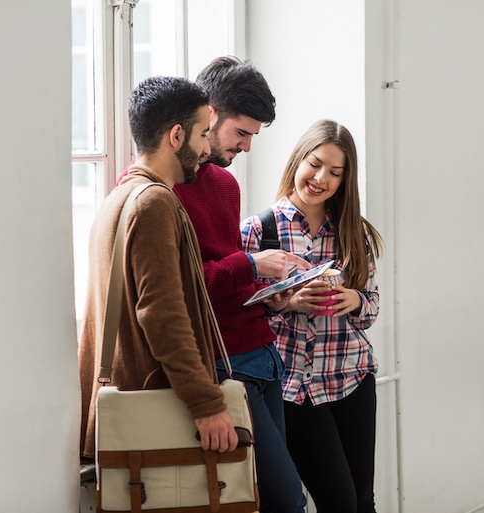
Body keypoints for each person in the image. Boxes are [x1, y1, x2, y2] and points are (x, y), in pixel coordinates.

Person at [174, 56, 309, 513]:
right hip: (225, 364)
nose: (247, 147)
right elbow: (186, 291)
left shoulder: (225, 185)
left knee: (267, 499)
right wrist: (253, 264)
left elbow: (226, 278)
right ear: (209, 115)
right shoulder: (161, 190)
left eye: (254, 135)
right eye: (242, 133)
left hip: (266, 357)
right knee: (286, 498)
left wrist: (272, 296)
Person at [79, 76, 238, 459]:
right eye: (203, 133)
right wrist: (207, 404)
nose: (205, 147)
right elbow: (162, 313)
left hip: (129, 399)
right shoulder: (154, 203)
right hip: (152, 405)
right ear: (177, 136)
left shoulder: (120, 196)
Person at [241, 119, 384, 513]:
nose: (321, 178)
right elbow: (238, 316)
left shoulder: (355, 232)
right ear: (298, 160)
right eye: (316, 163)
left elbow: (372, 307)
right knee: (339, 502)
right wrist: (288, 303)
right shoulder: (258, 231)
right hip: (295, 389)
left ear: (345, 180)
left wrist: (353, 300)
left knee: (363, 502)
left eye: (335, 173)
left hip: (352, 378)